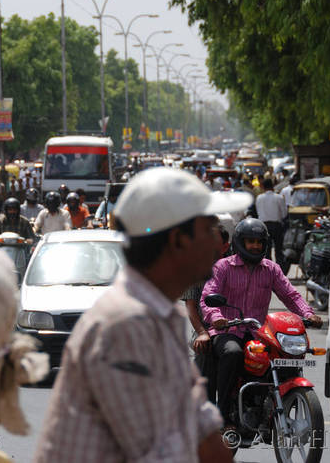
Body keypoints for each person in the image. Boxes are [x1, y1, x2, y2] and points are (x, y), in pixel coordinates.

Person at [34, 167, 237, 463]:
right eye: (208, 230)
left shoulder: (157, 316)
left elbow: (200, 425)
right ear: (178, 240)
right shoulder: (125, 324)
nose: (218, 241)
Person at [200, 218, 322, 426]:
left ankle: (273, 404)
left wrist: (308, 314)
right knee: (232, 352)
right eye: (250, 241)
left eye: (259, 242)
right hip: (228, 331)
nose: (255, 246)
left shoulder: (271, 269)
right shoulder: (223, 267)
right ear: (240, 242)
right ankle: (222, 413)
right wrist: (217, 318)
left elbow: (291, 295)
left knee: (285, 355)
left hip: (259, 334)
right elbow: (207, 297)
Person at [182, 226, 231, 404]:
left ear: (225, 247)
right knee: (205, 351)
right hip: (207, 330)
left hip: (236, 330)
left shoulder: (236, 267)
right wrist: (203, 332)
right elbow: (191, 306)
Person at [255, 178, 287, 263]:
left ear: (263, 187)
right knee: (279, 250)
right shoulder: (279, 197)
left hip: (263, 226)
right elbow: (284, 214)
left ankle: (268, 271)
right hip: (277, 225)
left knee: (266, 251)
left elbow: (258, 212)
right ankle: (279, 271)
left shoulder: (259, 198)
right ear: (272, 186)